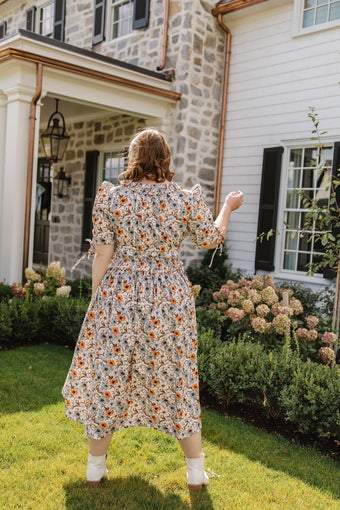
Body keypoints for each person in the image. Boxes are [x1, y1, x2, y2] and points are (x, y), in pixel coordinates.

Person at [61, 128, 244, 491]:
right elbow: (211, 238)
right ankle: (195, 473)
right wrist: (227, 207)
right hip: (169, 299)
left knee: (109, 377)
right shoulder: (183, 200)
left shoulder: (113, 199)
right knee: (176, 378)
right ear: (166, 159)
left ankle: (95, 470)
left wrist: (99, 302)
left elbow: (102, 253)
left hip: (120, 295)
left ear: (133, 159)